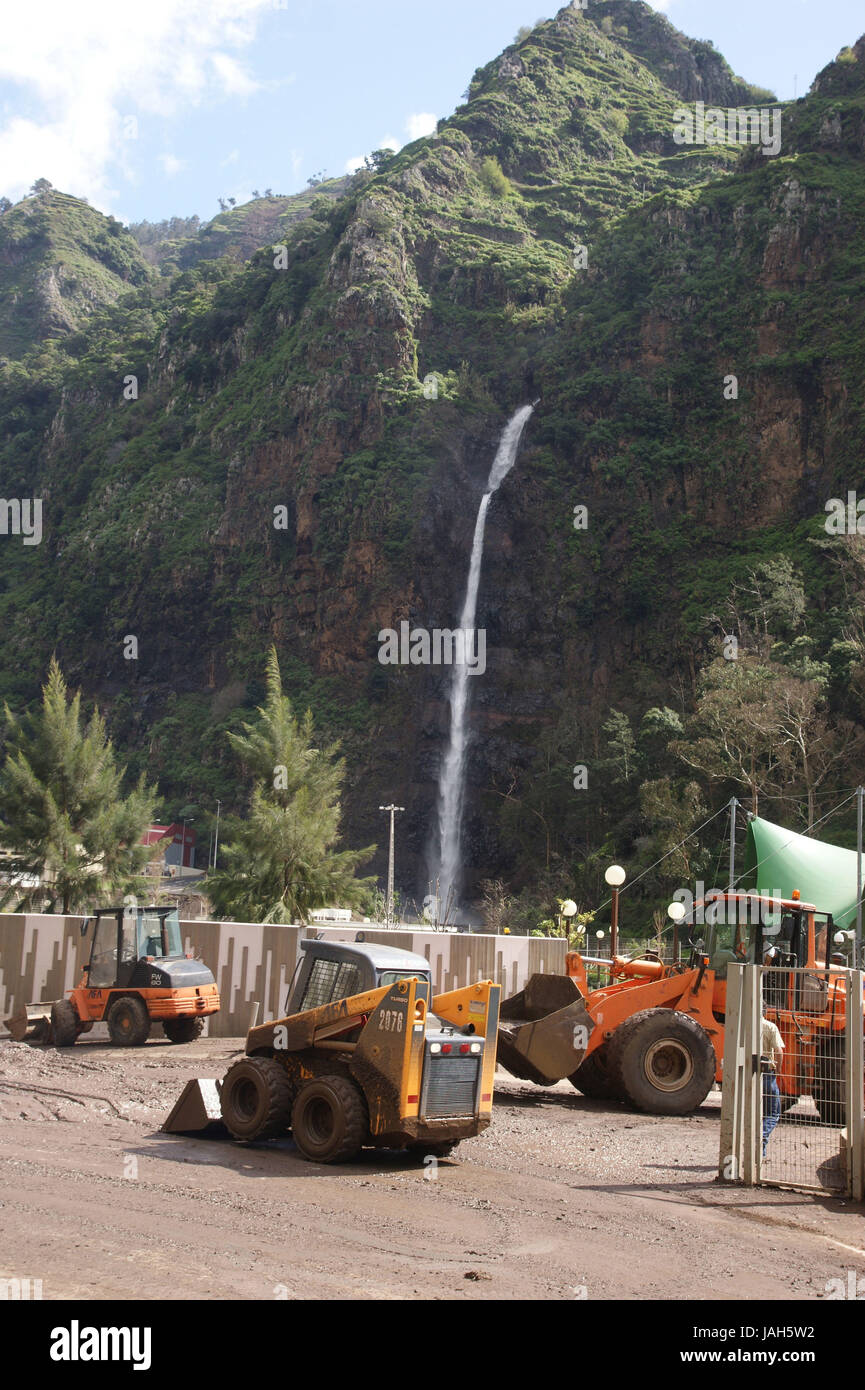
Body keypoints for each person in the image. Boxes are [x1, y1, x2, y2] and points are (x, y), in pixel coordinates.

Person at [761, 1015, 785, 1157]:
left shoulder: (744, 1025)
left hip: (746, 1075)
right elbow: (779, 1051)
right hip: (766, 1074)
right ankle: (761, 1137)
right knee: (772, 1113)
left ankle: (760, 1154)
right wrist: (778, 1069)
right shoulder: (770, 1026)